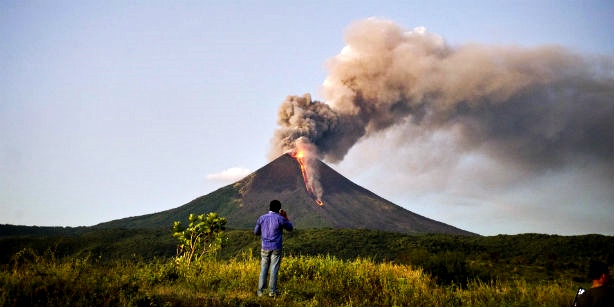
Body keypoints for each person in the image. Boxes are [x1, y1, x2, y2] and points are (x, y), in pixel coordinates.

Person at [254, 199, 293, 297]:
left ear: (269, 208)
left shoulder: (262, 218)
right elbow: (290, 228)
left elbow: (256, 232)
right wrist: (285, 216)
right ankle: (272, 292)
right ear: (279, 209)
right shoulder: (280, 218)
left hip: (265, 247)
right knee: (274, 269)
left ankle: (260, 292)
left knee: (263, 269)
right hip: (276, 247)